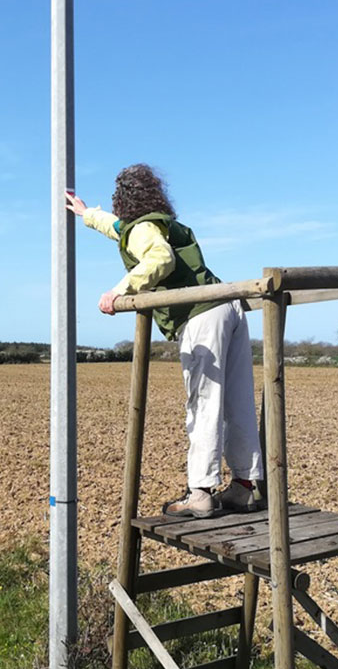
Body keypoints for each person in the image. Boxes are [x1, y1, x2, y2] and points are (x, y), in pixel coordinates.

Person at [65, 164, 263, 518]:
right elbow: (119, 229)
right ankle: (245, 486)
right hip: (230, 304)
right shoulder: (156, 224)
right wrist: (86, 213)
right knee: (238, 402)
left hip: (201, 315)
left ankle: (200, 492)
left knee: (203, 403)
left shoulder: (143, 229)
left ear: (122, 199)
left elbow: (159, 258)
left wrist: (119, 291)